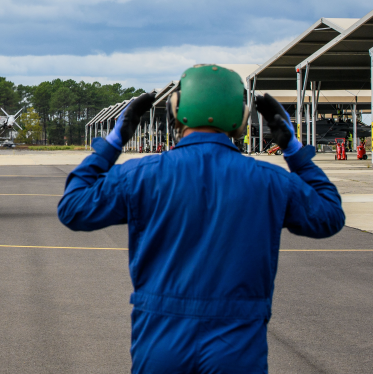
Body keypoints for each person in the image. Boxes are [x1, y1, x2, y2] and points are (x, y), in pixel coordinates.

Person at [58, 64, 344, 373]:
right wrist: (292, 146)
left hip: (161, 343)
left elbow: (73, 209)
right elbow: (329, 216)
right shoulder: (271, 181)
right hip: (236, 346)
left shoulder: (140, 175)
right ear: (242, 118)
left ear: (176, 110)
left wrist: (114, 142)